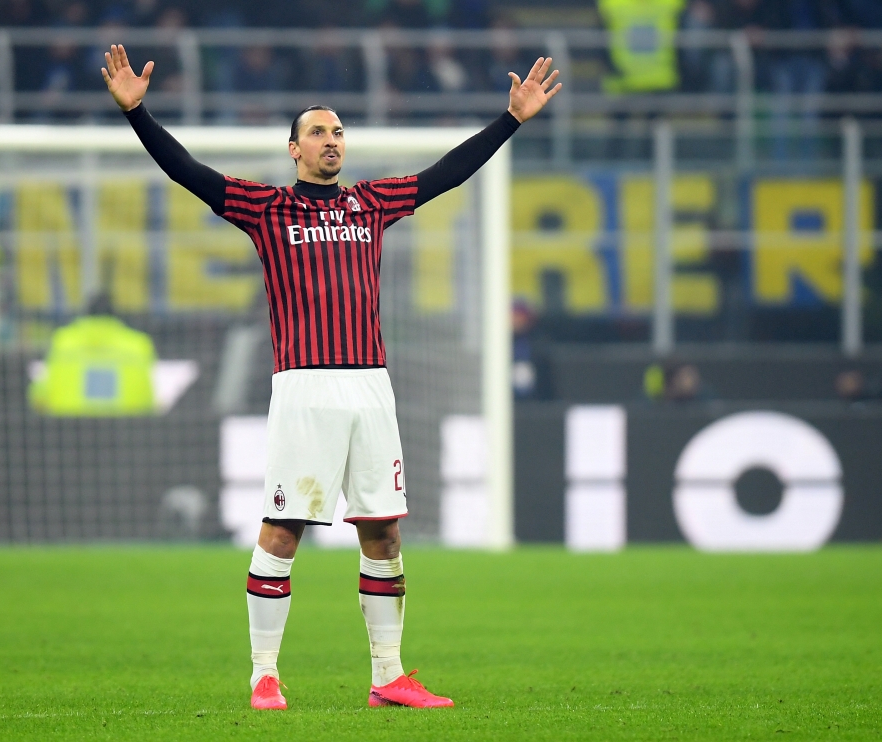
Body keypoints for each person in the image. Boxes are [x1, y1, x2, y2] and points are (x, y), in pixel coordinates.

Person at [102, 42, 561, 710]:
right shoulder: (265, 209)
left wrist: (510, 121)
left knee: (383, 531)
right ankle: (264, 672)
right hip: (304, 387)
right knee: (283, 529)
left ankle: (388, 676)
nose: (330, 140)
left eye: (338, 130)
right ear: (293, 150)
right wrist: (138, 116)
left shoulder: (371, 204)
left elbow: (447, 174)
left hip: (372, 387)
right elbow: (190, 174)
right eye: (317, 131)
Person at [28, 293, 156, 416]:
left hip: (69, 429)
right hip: (126, 429)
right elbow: (149, 401)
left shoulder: (63, 341)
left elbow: (39, 397)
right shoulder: (138, 345)